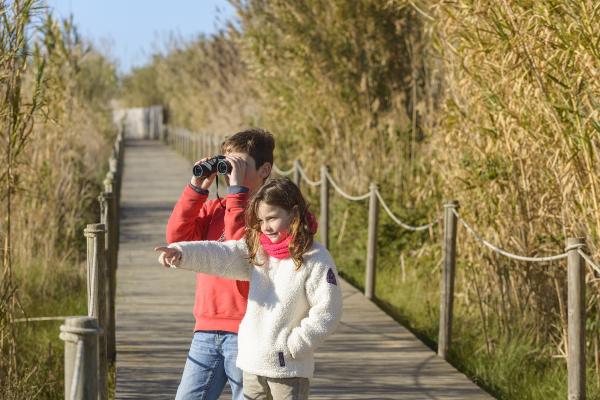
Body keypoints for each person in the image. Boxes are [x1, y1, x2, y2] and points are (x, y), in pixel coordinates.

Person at [156, 177, 343, 400]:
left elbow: (328, 310)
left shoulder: (316, 258)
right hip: (252, 364)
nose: (265, 227)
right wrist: (181, 253)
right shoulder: (257, 250)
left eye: (272, 218)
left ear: (294, 213)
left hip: (288, 369)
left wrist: (295, 345)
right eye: (261, 220)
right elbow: (221, 254)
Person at [166, 128, 274, 400]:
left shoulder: (270, 216)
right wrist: (196, 187)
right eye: (227, 164)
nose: (230, 173)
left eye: (240, 165)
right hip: (205, 327)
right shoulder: (215, 208)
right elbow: (177, 240)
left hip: (247, 331)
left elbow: (239, 251)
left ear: (265, 170)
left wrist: (238, 194)